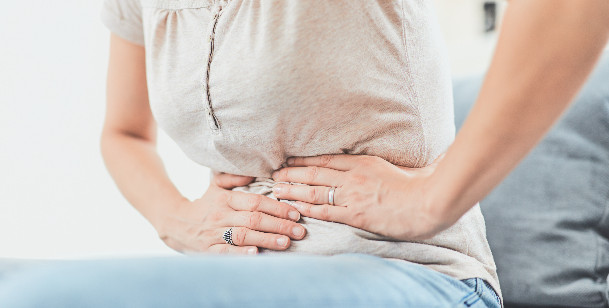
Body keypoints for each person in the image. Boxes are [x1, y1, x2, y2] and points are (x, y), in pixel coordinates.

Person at [0, 1, 607, 307]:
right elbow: (125, 133)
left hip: (414, 279)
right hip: (235, 278)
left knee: (50, 297)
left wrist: (435, 196)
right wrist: (177, 217)